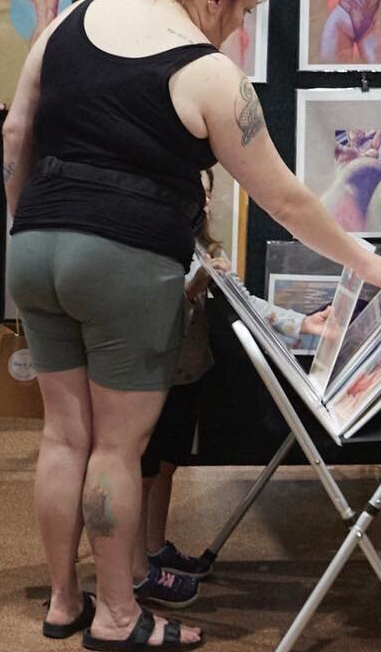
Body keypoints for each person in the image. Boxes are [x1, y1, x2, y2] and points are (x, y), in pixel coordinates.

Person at [2, 0, 381, 652]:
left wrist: (29, 222)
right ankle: (121, 616)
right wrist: (364, 260)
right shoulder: (210, 74)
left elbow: (17, 130)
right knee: (116, 450)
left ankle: (64, 603)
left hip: (36, 245)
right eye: (244, 9)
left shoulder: (75, 16)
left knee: (63, 436)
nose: (241, 26)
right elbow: (282, 196)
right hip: (124, 259)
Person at [139, 186, 332, 591]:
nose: (204, 200)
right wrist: (194, 288)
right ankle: (137, 561)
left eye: (207, 192)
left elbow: (246, 302)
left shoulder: (198, 245)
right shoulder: (151, 241)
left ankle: (155, 547)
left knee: (168, 465)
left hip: (187, 374)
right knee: (145, 470)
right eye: (197, 188)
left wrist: (301, 323)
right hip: (154, 374)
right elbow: (150, 312)